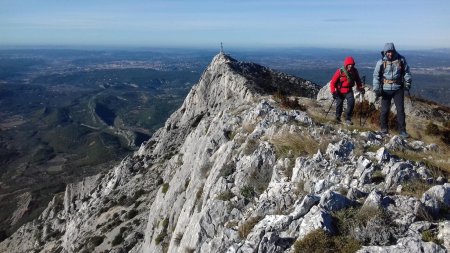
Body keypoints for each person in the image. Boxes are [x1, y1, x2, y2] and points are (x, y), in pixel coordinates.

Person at [373, 42, 412, 138]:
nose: (390, 54)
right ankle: (384, 128)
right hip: (385, 89)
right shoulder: (381, 62)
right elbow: (376, 76)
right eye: (388, 52)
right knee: (385, 110)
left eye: (391, 51)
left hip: (398, 88)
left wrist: (407, 84)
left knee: (400, 110)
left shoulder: (401, 60)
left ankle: (402, 131)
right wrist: (377, 89)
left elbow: (406, 72)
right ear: (385, 52)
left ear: (394, 51)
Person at [330, 56, 365, 125]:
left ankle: (348, 119)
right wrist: (333, 92)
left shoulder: (354, 71)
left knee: (351, 103)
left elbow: (358, 80)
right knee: (339, 104)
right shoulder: (340, 71)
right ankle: (337, 118)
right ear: (346, 64)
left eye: (352, 64)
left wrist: (360, 88)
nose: (351, 66)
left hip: (349, 90)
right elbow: (333, 82)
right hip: (340, 91)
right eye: (349, 64)